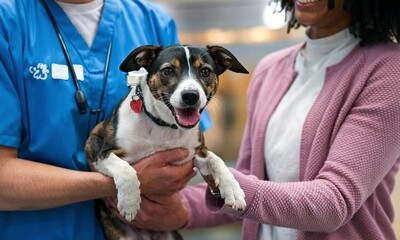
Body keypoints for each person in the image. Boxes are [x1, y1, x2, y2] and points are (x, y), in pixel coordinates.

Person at [131, 0, 400, 239]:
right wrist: (180, 208)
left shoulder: (388, 72)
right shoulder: (270, 69)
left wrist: (222, 177)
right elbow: (250, 188)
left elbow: (333, 203)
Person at [0, 0, 200, 239]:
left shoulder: (152, 22)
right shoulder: (9, 20)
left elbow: (187, 145)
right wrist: (123, 182)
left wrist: (181, 212)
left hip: (137, 228)